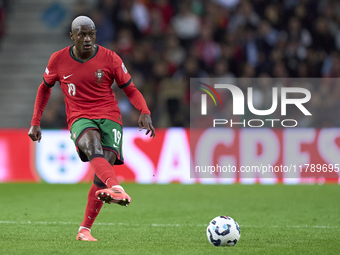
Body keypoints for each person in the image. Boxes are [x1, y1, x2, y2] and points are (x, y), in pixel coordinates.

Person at [28, 16, 155, 241]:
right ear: (72, 36)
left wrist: (144, 111)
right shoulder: (58, 60)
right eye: (82, 34)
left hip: (109, 116)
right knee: (91, 146)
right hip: (79, 116)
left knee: (100, 175)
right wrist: (35, 122)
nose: (87, 39)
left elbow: (131, 89)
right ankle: (116, 187)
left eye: (91, 34)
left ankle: (84, 229)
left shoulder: (110, 58)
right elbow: (44, 88)